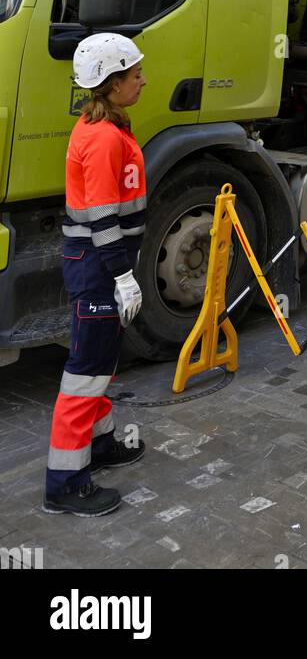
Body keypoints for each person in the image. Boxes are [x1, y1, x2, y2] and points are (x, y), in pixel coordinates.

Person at [44, 34, 148, 517]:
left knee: (102, 361)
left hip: (96, 266)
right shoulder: (104, 138)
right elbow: (104, 222)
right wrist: (123, 277)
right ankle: (65, 483)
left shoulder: (103, 125)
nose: (143, 80)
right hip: (99, 267)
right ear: (111, 83)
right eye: (135, 75)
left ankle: (100, 445)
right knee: (85, 373)